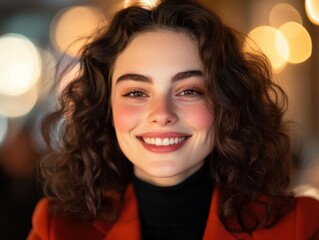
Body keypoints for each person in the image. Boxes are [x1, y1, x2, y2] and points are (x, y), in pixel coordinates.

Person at [28, 0, 319, 239]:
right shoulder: (56, 229)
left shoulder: (299, 227)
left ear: (226, 104)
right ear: (106, 108)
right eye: (137, 92)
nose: (162, 114)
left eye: (189, 90)